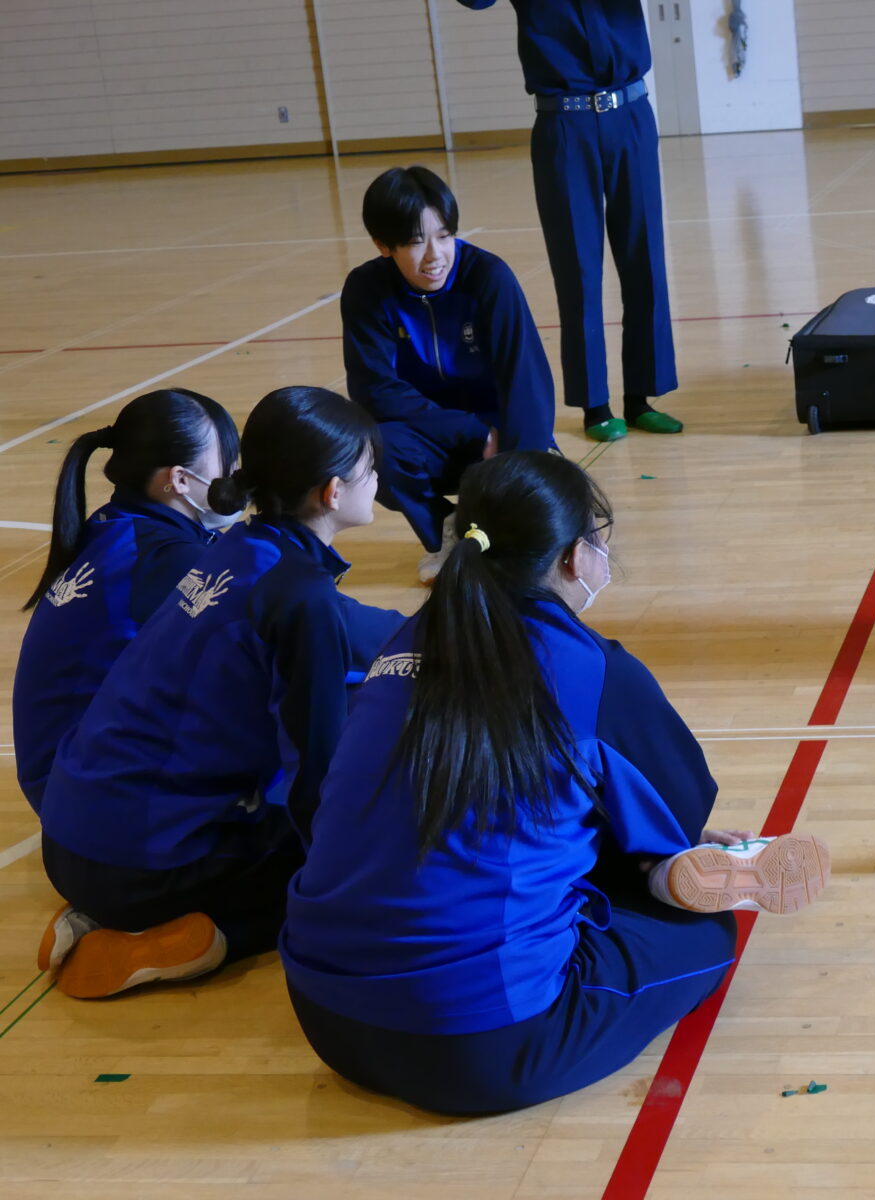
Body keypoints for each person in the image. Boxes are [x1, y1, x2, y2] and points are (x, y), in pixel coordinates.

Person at [281, 451, 827, 1115]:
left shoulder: (401, 643)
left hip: (323, 1015)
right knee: (707, 936)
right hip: (475, 1047)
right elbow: (682, 813)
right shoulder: (594, 670)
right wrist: (672, 848)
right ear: (573, 557)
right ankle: (643, 887)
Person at [35, 387, 405, 1000]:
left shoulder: (234, 547)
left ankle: (99, 914)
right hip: (133, 863)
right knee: (354, 856)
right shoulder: (298, 598)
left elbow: (347, 626)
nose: (377, 481)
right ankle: (191, 937)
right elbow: (316, 779)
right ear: (332, 492)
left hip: (69, 842)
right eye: (370, 471)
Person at [455, 0, 684, 443]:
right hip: (563, 123)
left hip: (631, 113)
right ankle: (595, 406)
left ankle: (641, 398)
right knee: (578, 269)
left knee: (646, 261)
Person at [14, 388, 241, 814]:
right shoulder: (169, 560)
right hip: (91, 795)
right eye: (227, 465)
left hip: (66, 777)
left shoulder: (113, 526)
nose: (236, 475)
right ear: (178, 480)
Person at [341, 165, 558, 581]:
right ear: (383, 245)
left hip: (504, 437)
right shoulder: (366, 289)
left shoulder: (489, 277)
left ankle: (506, 522)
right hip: (438, 437)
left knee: (526, 536)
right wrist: (472, 432)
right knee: (369, 450)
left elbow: (526, 383)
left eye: (444, 236)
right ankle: (448, 532)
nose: (435, 255)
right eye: (415, 242)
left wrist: (522, 462)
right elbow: (372, 391)